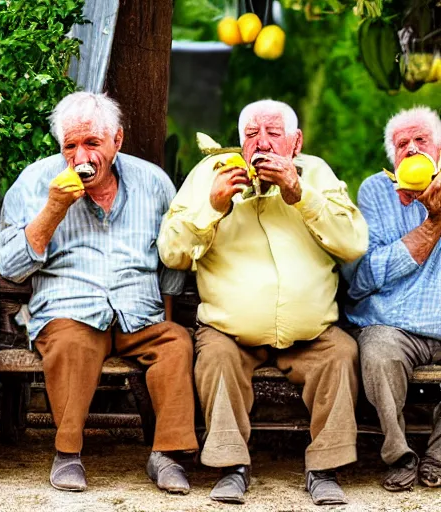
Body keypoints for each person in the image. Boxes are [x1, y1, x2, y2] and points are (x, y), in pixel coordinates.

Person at [157, 99, 368, 505]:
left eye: (274, 133)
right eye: (252, 135)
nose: (263, 144)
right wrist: (212, 207)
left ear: (296, 142)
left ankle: (325, 468)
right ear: (240, 143)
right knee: (216, 358)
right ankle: (231, 466)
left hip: (311, 332)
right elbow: (172, 252)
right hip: (230, 331)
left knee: (341, 354)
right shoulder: (210, 174)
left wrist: (300, 194)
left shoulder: (316, 173)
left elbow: (354, 243)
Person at [0, 92, 198, 493]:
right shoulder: (36, 183)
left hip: (139, 311)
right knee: (73, 344)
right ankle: (67, 454)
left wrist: (166, 317)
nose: (80, 155)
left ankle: (167, 454)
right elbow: (10, 266)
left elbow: (171, 261)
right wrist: (54, 209)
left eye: (92, 143)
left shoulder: (153, 183)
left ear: (117, 141)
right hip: (69, 309)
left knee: (176, 343)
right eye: (70, 145)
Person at [343, 106, 441, 492]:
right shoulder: (374, 191)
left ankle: (438, 455)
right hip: (392, 323)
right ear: (393, 156)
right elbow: (361, 277)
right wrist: (431, 225)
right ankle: (399, 454)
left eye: (422, 140)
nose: (413, 149)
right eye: (403, 144)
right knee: (379, 353)